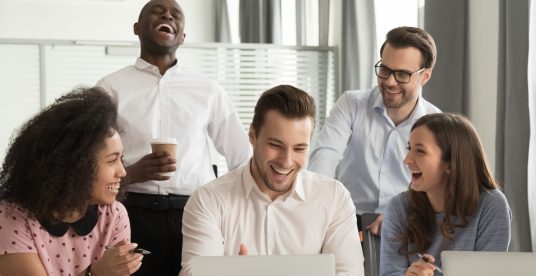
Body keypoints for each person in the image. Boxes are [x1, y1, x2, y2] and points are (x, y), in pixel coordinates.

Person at [96, 0, 251, 275]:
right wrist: (130, 173)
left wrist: (229, 215)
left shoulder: (208, 90)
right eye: (157, 11)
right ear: (136, 28)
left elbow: (241, 159)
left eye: (176, 14)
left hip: (196, 215)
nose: (167, 15)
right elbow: (90, 161)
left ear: (183, 36)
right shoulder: (110, 88)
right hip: (131, 213)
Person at [180, 85, 364, 276]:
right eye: (275, 145)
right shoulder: (208, 200)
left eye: (299, 148)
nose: (286, 161)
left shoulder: (334, 198)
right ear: (252, 136)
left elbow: (349, 273)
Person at [309, 26, 441, 234]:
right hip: (347, 221)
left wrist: (406, 212)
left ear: (424, 76)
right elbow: (325, 156)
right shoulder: (352, 104)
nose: (389, 82)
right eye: (385, 70)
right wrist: (317, 206)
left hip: (408, 223)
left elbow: (438, 186)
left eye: (402, 75)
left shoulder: (437, 124)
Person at [0, 87, 142, 276]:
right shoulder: (11, 216)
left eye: (121, 159)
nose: (123, 172)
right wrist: (94, 274)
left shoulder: (114, 214)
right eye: (111, 160)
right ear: (76, 165)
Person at [380, 113, 512, 276]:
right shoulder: (398, 207)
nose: (407, 160)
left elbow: (490, 273)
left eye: (420, 151)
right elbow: (389, 272)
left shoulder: (491, 204)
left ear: (451, 163)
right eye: (409, 149)